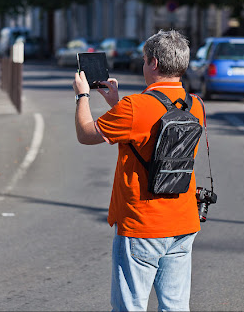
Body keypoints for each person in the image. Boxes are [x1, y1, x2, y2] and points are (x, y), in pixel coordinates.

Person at [72, 30, 203, 311]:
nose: (143, 65)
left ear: (154, 63)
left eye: (144, 60)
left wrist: (82, 95)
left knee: (129, 306)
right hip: (183, 223)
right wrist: (116, 104)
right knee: (176, 307)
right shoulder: (197, 106)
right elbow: (154, 133)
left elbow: (86, 133)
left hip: (142, 224)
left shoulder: (135, 107)